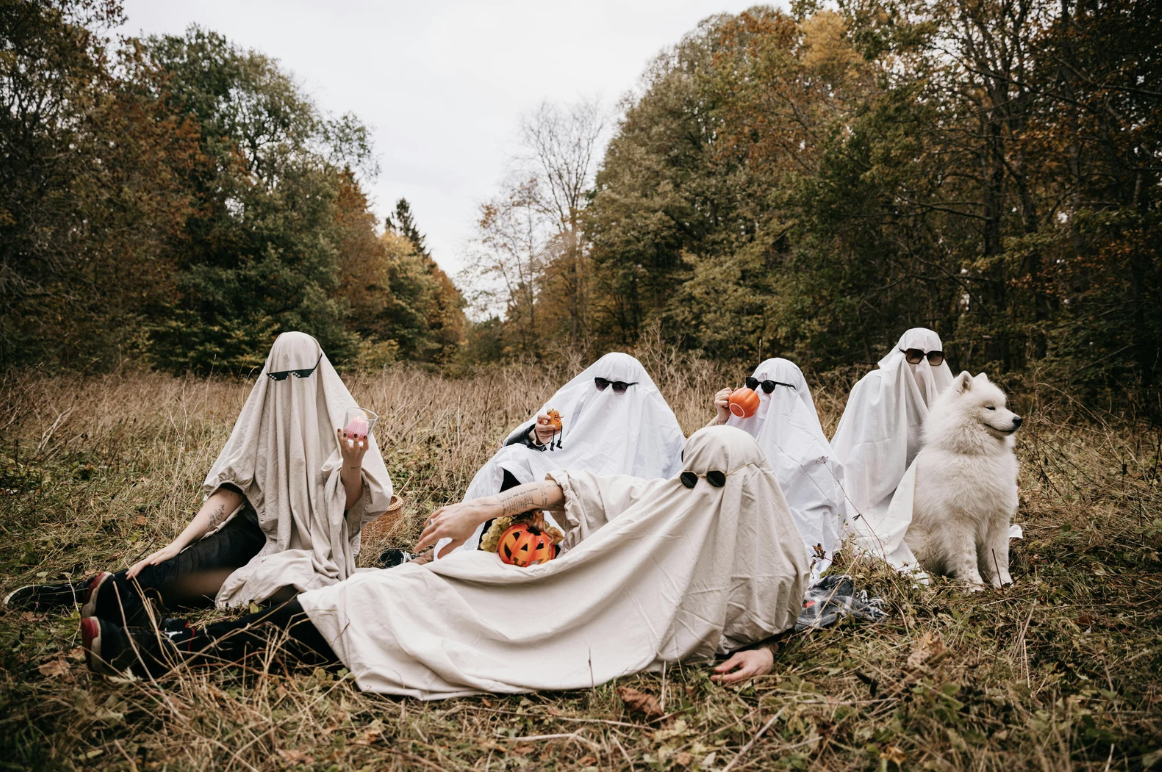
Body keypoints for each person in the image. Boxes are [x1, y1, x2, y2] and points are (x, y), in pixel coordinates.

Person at [81, 426, 809, 696]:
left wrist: (772, 652)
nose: (696, 495)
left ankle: (161, 655)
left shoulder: (774, 564)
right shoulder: (664, 503)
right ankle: (160, 636)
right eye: (689, 476)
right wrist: (479, 511)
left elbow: (790, 611)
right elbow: (574, 484)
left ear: (753, 494)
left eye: (712, 485)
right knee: (382, 592)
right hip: (533, 590)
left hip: (573, 634)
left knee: (366, 612)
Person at [5, 332, 393, 626]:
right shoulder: (263, 413)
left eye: (300, 374)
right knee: (172, 573)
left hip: (318, 540)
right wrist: (178, 543)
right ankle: (78, 592)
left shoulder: (344, 420)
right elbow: (234, 487)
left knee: (286, 595)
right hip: (258, 528)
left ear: (318, 372)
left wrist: (352, 464)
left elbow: (349, 506)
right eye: (281, 375)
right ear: (269, 374)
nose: (290, 384)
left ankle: (113, 598)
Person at [425, 352, 685, 560]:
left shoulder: (652, 410)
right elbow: (530, 436)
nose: (606, 393)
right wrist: (538, 434)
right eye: (601, 383)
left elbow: (681, 458)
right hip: (563, 467)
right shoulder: (580, 395)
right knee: (512, 457)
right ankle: (486, 547)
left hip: (617, 485)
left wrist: (722, 420)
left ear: (633, 387)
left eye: (617, 387)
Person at [706, 358, 843, 580]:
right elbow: (692, 462)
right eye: (754, 385)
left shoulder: (816, 455)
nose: (762, 395)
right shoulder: (735, 434)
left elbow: (811, 527)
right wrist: (721, 419)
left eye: (770, 389)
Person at [829, 328, 952, 569]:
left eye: (934, 357)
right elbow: (861, 445)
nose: (924, 366)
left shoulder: (947, 390)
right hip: (876, 488)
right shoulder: (874, 385)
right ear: (901, 354)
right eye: (915, 355)